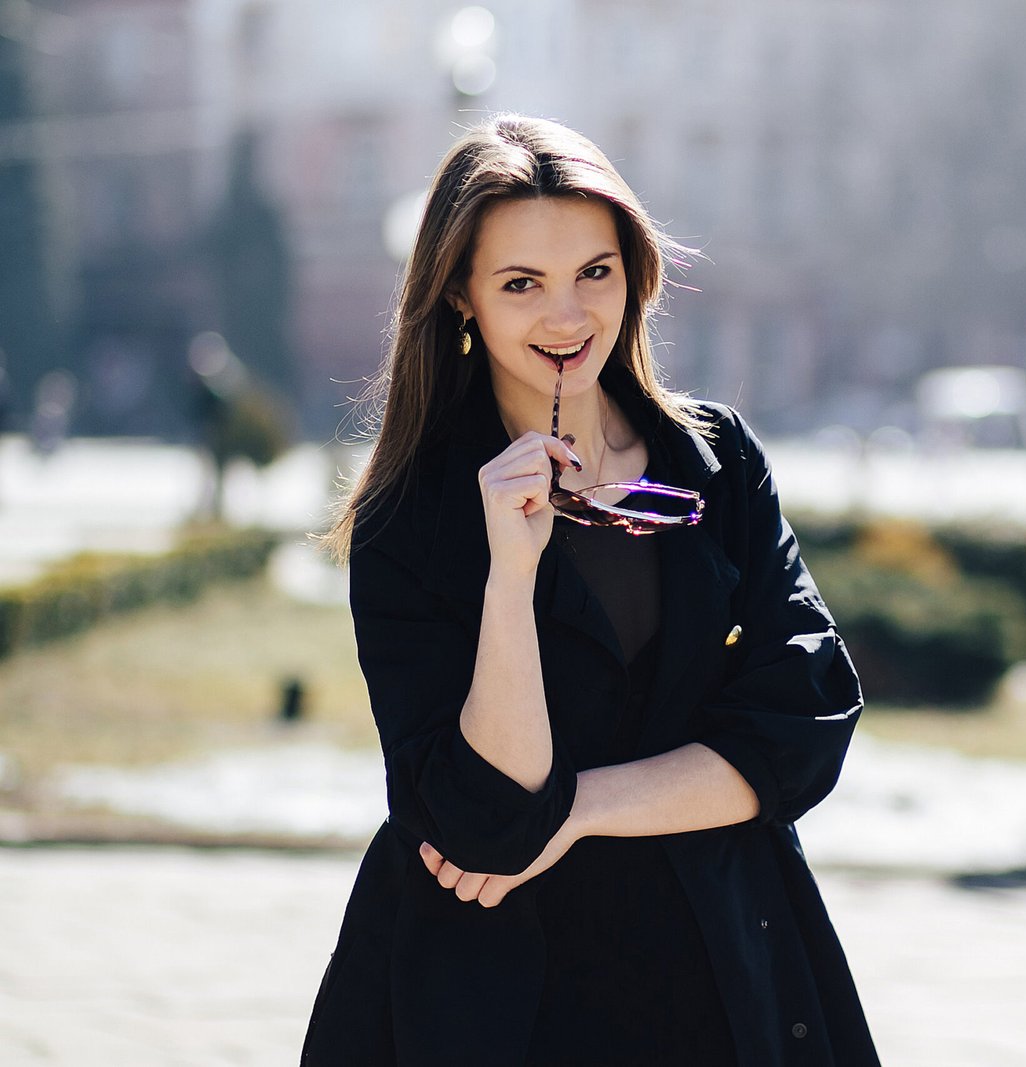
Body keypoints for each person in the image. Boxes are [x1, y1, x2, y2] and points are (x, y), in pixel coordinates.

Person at [303, 115, 877, 1065]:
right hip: (493, 992)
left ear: (635, 274)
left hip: (718, 966)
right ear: (460, 297)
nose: (567, 317)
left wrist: (575, 808)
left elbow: (804, 724)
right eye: (521, 284)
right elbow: (484, 818)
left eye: (594, 273)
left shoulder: (717, 463)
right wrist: (511, 574)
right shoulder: (409, 513)